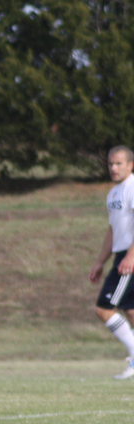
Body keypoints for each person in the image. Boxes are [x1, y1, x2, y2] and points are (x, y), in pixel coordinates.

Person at [89, 146, 134, 379]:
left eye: (118, 163)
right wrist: (99, 262)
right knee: (130, 309)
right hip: (121, 255)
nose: (113, 168)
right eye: (110, 164)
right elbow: (112, 231)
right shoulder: (114, 193)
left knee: (103, 309)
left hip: (130, 256)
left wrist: (131, 256)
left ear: (130, 165)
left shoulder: (133, 187)